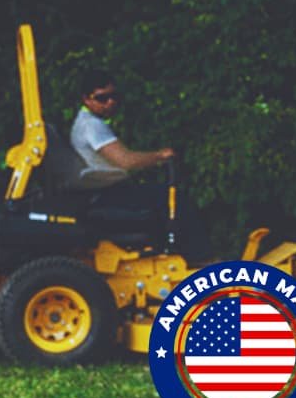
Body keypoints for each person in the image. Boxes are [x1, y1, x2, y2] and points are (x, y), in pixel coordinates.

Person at [69, 69, 213, 263]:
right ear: (87, 99)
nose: (110, 102)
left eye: (114, 96)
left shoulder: (86, 122)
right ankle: (202, 262)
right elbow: (126, 161)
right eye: (102, 98)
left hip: (103, 192)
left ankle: (176, 256)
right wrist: (160, 156)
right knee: (175, 200)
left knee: (160, 194)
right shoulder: (92, 126)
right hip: (108, 195)